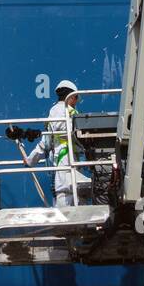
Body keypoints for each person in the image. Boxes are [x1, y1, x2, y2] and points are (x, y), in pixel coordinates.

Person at [26, 79, 86, 207]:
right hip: (69, 161)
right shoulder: (70, 113)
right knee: (74, 198)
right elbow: (46, 142)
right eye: (76, 98)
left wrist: (30, 160)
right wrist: (31, 159)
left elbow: (46, 142)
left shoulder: (55, 111)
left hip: (65, 162)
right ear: (72, 97)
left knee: (65, 200)